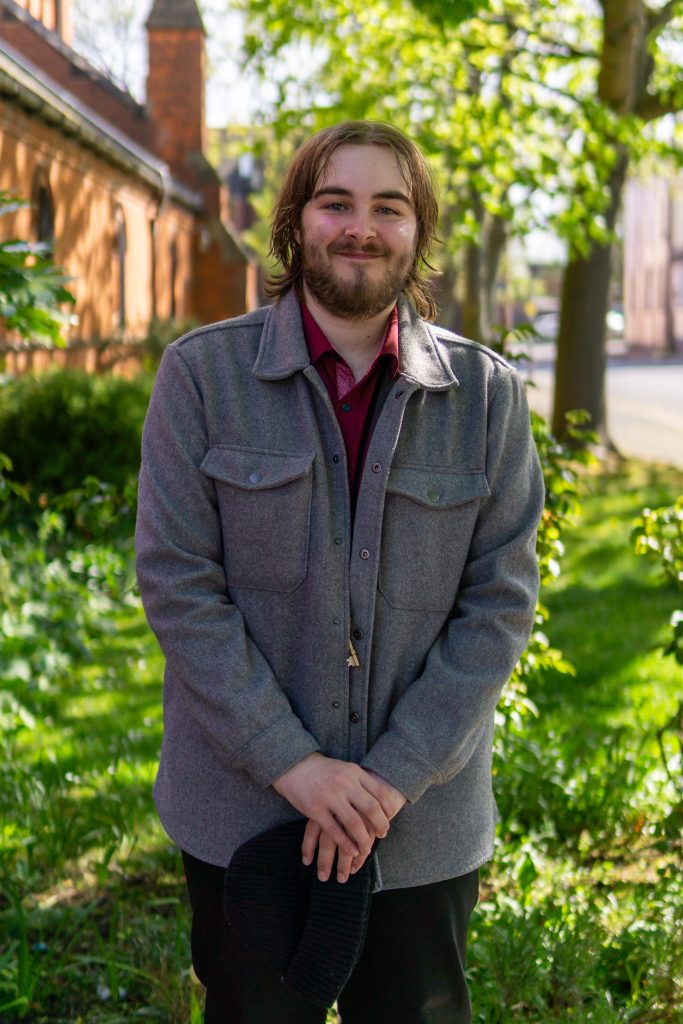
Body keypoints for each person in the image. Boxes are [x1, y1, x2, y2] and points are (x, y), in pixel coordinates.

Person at [135, 120, 545, 1024]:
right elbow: (178, 585)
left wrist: (388, 779)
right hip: (243, 818)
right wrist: (295, 766)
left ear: (418, 231)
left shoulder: (487, 398)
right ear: (294, 220)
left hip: (421, 830)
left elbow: (500, 606)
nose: (361, 227)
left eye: (388, 207)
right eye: (336, 203)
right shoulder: (201, 378)